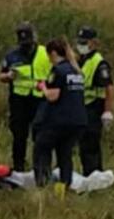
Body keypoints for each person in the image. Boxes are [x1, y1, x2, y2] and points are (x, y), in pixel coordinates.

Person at [31, 38, 87, 197]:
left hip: (59, 121)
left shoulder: (58, 71)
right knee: (65, 155)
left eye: (49, 56)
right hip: (77, 121)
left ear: (53, 53)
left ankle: (42, 186)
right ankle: (62, 192)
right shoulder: (76, 71)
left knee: (41, 149)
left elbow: (52, 96)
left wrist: (43, 86)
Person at [0, 22, 50, 172]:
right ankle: (19, 167)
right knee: (19, 135)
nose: (26, 47)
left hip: (40, 99)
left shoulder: (45, 53)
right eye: (23, 44)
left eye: (28, 43)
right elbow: (1, 75)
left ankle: (41, 167)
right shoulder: (12, 55)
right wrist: (8, 76)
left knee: (40, 136)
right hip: (19, 101)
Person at [76, 26, 114, 176]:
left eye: (85, 42)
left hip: (93, 107)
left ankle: (93, 175)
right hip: (82, 107)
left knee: (90, 145)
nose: (81, 45)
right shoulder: (82, 60)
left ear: (94, 42)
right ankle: (91, 175)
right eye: (80, 42)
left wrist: (107, 111)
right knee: (84, 145)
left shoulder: (99, 63)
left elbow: (109, 87)